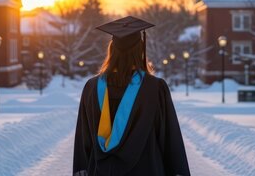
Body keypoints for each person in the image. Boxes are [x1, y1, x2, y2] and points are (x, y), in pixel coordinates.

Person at [73, 16, 190, 176]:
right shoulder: (155, 88)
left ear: (112, 50)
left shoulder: (92, 88)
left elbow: (83, 138)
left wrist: (82, 168)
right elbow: (169, 138)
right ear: (140, 50)